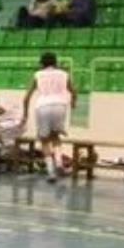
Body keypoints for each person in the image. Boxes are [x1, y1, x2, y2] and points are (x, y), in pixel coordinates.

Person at [20, 51, 77, 183]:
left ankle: (51, 172)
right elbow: (73, 91)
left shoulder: (38, 75)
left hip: (43, 106)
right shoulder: (64, 74)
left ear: (41, 63)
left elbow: (27, 97)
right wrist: (73, 102)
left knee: (44, 140)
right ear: (55, 62)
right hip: (60, 106)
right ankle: (59, 163)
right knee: (55, 136)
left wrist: (25, 114)